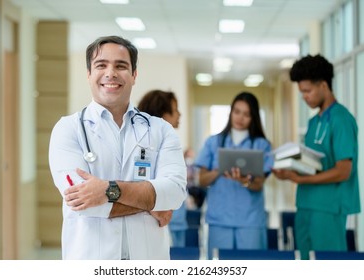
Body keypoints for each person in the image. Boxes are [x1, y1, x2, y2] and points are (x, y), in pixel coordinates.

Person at [48, 36, 187, 260]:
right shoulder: (68, 129)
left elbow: (174, 193)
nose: (111, 73)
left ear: (134, 75)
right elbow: (82, 202)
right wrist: (150, 202)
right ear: (89, 74)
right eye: (101, 65)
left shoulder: (161, 130)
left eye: (121, 66)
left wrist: (107, 190)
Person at [272, 54, 361, 260]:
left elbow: (343, 171)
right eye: (301, 92)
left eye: (307, 91)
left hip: (328, 208)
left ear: (323, 85)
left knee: (328, 265)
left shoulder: (341, 120)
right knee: (305, 263)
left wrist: (301, 179)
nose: (304, 97)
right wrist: (290, 172)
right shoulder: (314, 123)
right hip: (305, 204)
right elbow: (314, 165)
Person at [194, 92, 273, 259]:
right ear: (231, 112)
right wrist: (220, 169)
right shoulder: (213, 142)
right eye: (237, 112)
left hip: (250, 222)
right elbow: (200, 179)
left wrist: (245, 181)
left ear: (253, 118)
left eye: (246, 114)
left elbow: (259, 183)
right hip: (219, 221)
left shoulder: (262, 145)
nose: (240, 118)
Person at [137, 89, 188, 247]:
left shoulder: (171, 144)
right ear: (164, 116)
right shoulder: (143, 148)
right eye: (175, 110)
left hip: (175, 219)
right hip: (155, 220)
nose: (179, 114)